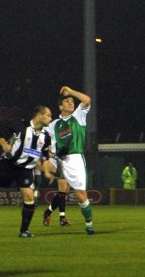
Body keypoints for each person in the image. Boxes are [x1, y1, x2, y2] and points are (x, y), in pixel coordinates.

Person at [0, 106, 52, 238]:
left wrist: (47, 171)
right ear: (39, 115)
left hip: (26, 170)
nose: (50, 118)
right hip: (8, 165)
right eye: (48, 115)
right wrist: (4, 144)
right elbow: (0, 136)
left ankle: (24, 230)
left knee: (29, 197)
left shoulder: (46, 136)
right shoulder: (20, 126)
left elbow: (45, 155)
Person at [43, 86, 95, 235]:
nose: (71, 103)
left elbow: (87, 100)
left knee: (81, 195)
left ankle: (88, 223)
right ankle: (31, 195)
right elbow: (39, 130)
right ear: (60, 107)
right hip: (61, 161)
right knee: (61, 189)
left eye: (72, 101)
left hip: (76, 159)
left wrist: (70, 92)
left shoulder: (78, 115)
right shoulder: (54, 125)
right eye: (67, 102)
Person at [42, 157, 71, 226]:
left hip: (67, 164)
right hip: (58, 164)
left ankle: (47, 212)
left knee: (65, 192)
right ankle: (62, 218)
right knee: (62, 193)